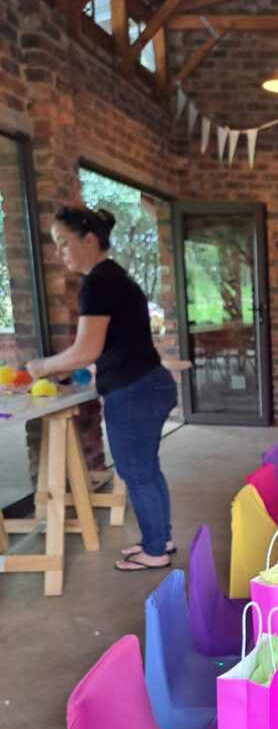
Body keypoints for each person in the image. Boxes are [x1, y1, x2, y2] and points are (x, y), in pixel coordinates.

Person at [27, 205, 178, 571]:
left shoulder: (98, 282)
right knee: (147, 469)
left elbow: (86, 350)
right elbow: (111, 345)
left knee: (137, 472)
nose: (60, 252)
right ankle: (161, 538)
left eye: (64, 243)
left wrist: (41, 366)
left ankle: (156, 550)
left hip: (133, 391)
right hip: (149, 384)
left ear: (89, 239)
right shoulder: (116, 277)